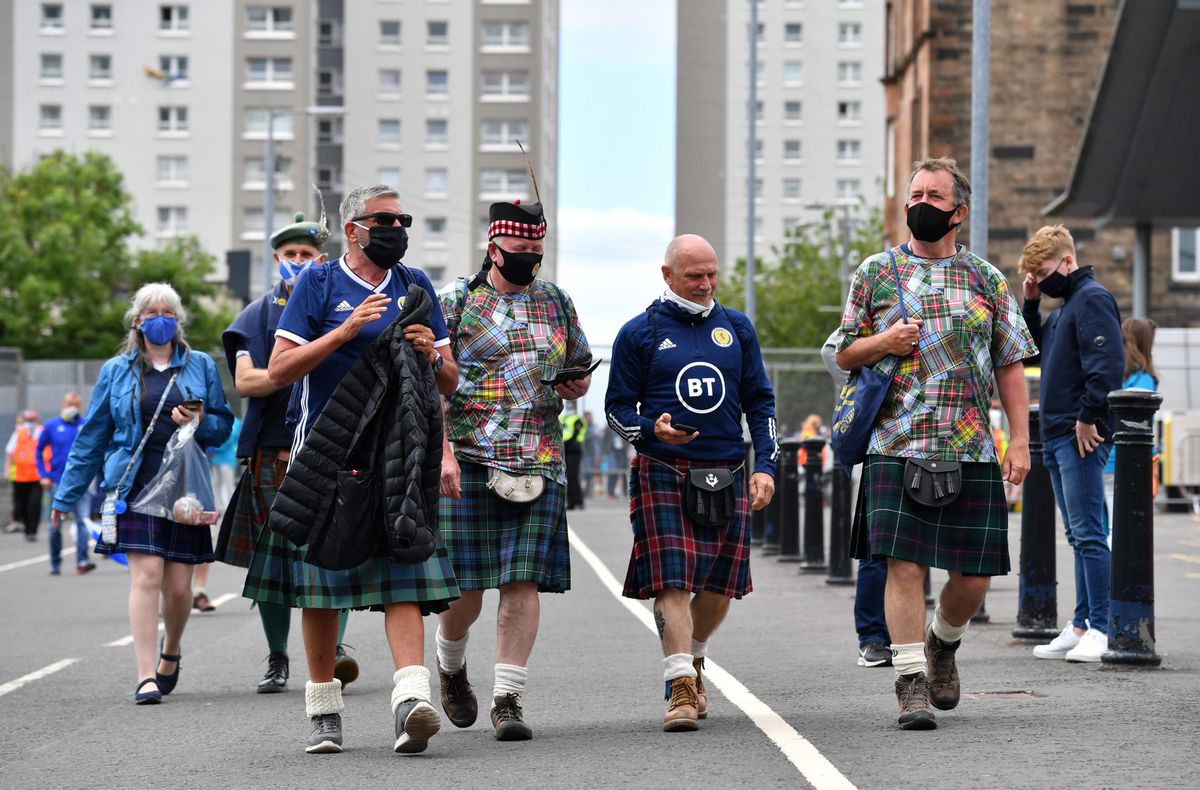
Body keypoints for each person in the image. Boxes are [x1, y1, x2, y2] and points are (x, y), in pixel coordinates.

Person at [252, 184, 461, 754]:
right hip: (327, 454)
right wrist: (342, 332)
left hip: (399, 455)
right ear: (353, 230)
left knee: (404, 581)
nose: (398, 228)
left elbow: (450, 380)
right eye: (386, 220)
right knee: (324, 591)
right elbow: (278, 370)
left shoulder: (415, 286)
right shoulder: (317, 283)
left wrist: (431, 354)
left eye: (403, 219)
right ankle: (323, 709)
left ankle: (411, 703)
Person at [837, 157, 1035, 731]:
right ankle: (909, 683)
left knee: (973, 576)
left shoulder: (987, 279)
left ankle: (941, 644)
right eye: (915, 192)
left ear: (959, 211)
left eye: (933, 193)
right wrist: (884, 341)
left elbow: (1010, 364)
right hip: (896, 440)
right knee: (904, 567)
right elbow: (844, 352)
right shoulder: (876, 272)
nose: (921, 201)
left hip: (969, 443)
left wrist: (1018, 440)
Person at [606, 233, 778, 732]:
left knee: (720, 589)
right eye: (693, 276)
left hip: (729, 471)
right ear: (667, 276)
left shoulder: (737, 329)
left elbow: (761, 403)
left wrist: (766, 465)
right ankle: (679, 684)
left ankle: (696, 658)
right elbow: (616, 409)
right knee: (672, 579)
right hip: (662, 472)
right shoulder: (638, 332)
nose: (705, 285)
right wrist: (649, 430)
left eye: (711, 275)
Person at [436, 197, 592, 742]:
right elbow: (429, 382)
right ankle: (451, 666)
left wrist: (576, 383)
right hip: (470, 455)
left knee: (521, 580)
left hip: (539, 457)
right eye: (520, 252)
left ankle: (508, 699)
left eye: (537, 252)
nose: (529, 261)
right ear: (493, 249)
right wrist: (443, 453)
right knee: (465, 589)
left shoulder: (555, 301)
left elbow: (578, 367)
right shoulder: (456, 301)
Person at [50, 283, 234, 704]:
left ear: (178, 321)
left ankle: (172, 651)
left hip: (185, 488)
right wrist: (66, 495)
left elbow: (222, 427)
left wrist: (199, 419)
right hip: (133, 483)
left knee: (179, 588)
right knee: (147, 576)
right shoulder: (117, 371)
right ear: (137, 320)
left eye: (167, 311)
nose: (160, 317)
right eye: (151, 311)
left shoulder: (201, 365)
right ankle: (146, 675)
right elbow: (93, 435)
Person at [219, 211, 354, 694]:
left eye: (308, 255)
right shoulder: (258, 315)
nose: (299, 262)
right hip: (274, 457)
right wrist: (301, 361)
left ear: (323, 260)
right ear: (277, 259)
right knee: (272, 566)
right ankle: (278, 657)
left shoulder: (340, 303)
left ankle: (335, 650)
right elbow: (246, 380)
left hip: (335, 447)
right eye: (290, 255)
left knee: (336, 552)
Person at [1018, 225, 1124, 663]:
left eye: (1044, 272)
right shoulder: (1064, 308)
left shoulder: (1092, 299)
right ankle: (1083, 623)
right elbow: (1031, 353)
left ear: (1067, 260)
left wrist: (1088, 417)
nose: (1042, 281)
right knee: (1078, 535)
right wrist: (1030, 301)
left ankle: (1100, 626)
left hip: (1076, 431)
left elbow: (1108, 364)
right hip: (1059, 431)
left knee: (1089, 534)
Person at [821, 330, 891, 668]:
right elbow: (831, 350)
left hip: (931, 439)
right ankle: (873, 637)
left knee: (919, 550)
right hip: (881, 441)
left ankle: (927, 637)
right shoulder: (879, 287)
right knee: (877, 549)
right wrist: (870, 381)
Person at [1103, 318, 1159, 536]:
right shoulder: (1143, 379)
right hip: (1128, 462)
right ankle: (1116, 570)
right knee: (1121, 530)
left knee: (1106, 526)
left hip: (1105, 457)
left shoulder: (1114, 373)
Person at [37, 393, 94, 574]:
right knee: (54, 525)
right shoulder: (51, 425)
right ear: (63, 404)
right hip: (56, 482)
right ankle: (55, 563)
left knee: (82, 522)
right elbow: (38, 450)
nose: (73, 407)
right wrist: (43, 474)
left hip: (81, 484)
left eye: (76, 404)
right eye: (70, 403)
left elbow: (94, 451)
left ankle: (82, 560)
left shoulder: (85, 425)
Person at [192, 416, 239, 611]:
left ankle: (199, 590)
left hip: (202, 467)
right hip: (163, 471)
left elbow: (224, 429)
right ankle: (167, 596)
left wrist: (201, 420)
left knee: (203, 533)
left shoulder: (206, 389)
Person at [6, 411, 45, 544]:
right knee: (21, 504)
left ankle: (32, 531)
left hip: (37, 475)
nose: (30, 422)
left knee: (34, 503)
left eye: (32, 419)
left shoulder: (42, 432)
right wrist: (7, 470)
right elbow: (10, 452)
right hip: (20, 476)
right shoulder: (19, 432)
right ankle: (26, 526)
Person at [560, 402, 587, 510]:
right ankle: (571, 502)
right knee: (567, 477)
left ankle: (578, 501)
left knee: (573, 477)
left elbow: (575, 434)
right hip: (565, 450)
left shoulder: (578, 420)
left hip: (574, 450)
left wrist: (563, 443)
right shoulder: (563, 418)